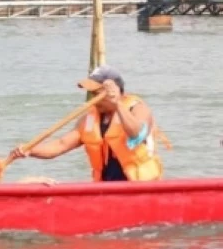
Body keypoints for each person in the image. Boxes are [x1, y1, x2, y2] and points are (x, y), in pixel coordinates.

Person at [10, 66, 162, 182]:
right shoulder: (89, 120)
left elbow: (137, 134)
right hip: (107, 189)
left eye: (97, 94)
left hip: (139, 186)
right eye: (91, 94)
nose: (93, 99)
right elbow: (60, 145)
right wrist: (30, 150)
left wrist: (117, 104)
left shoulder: (138, 109)